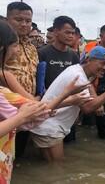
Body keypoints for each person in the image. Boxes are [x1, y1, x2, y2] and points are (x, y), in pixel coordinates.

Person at [0, 20, 89, 183]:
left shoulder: (72, 55)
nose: (17, 51)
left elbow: (32, 114)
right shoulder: (41, 54)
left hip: (35, 110)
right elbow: (31, 116)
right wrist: (66, 96)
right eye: (14, 46)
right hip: (36, 111)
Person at [30, 46, 105, 162]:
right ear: (88, 60)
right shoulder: (78, 77)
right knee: (57, 169)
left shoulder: (77, 69)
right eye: (102, 63)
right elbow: (87, 108)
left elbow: (88, 89)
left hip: (46, 124)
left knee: (49, 168)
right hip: (50, 128)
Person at [5, 1, 39, 157]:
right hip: (6, 109)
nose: (24, 24)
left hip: (29, 107)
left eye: (28, 21)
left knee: (19, 154)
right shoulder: (3, 44)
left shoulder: (32, 48)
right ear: (7, 20)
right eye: (18, 20)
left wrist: (36, 97)